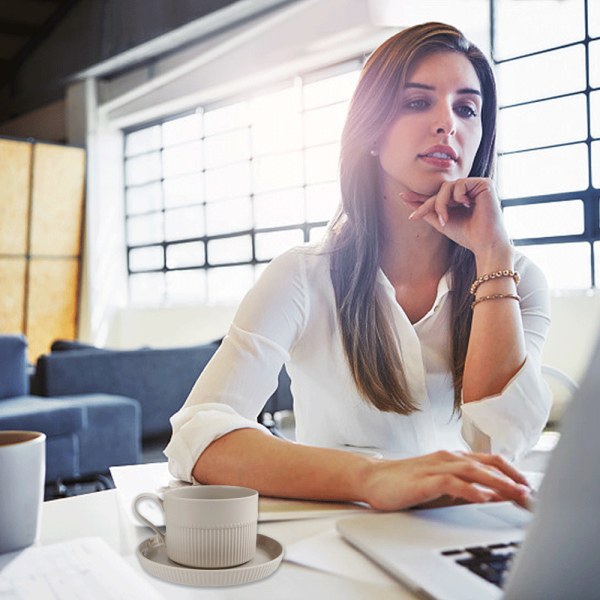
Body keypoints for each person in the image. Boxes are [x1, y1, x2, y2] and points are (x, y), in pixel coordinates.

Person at [165, 22, 552, 511]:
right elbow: (196, 435)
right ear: (371, 130)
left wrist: (493, 257)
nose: (447, 124)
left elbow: (501, 446)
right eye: (417, 102)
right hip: (337, 537)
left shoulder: (518, 277)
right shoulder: (303, 275)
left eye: (466, 108)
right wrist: (373, 478)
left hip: (463, 536)